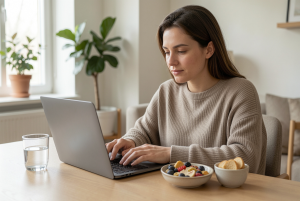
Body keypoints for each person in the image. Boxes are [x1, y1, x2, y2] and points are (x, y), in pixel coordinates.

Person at [106, 5, 267, 174]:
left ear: (209, 50)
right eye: (167, 52)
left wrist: (171, 154)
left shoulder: (241, 91)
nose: (171, 61)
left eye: (181, 51)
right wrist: (130, 141)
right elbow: (143, 131)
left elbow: (245, 157)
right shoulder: (166, 91)